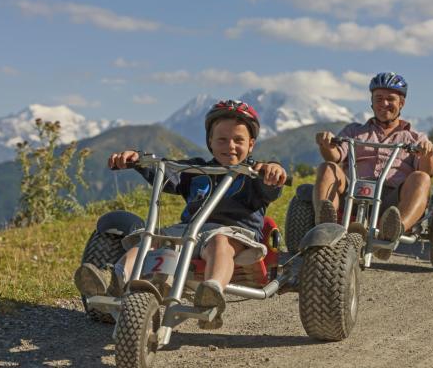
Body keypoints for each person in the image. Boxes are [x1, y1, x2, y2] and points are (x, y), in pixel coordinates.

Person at [74, 99, 287, 329]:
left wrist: (273, 170)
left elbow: (271, 185)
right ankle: (113, 278)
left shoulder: (254, 174)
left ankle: (211, 292)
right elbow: (167, 172)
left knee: (219, 242)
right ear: (210, 142)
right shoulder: (196, 170)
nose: (230, 146)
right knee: (150, 240)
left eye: (238, 140)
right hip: (188, 232)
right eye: (222, 139)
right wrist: (138, 160)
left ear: (251, 144)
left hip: (234, 234)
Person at [312, 72, 433, 260]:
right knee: (328, 167)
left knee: (421, 178)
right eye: (379, 99)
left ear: (401, 103)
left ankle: (393, 231)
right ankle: (326, 225)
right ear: (371, 102)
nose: (384, 104)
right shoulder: (354, 131)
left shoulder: (414, 138)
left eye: (390, 99)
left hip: (392, 203)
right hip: (354, 193)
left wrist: (428, 153)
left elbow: (427, 171)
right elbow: (336, 156)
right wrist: (326, 145)